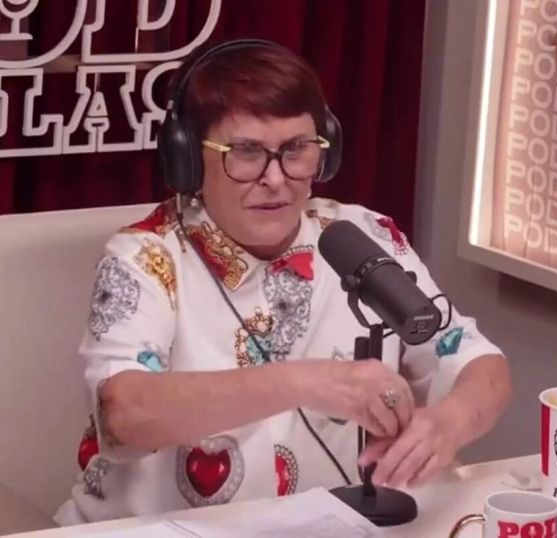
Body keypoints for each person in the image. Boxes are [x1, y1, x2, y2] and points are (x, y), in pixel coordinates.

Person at [55, 39, 511, 524]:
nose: (275, 178)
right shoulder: (145, 257)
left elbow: (479, 363)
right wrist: (305, 382)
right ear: (187, 157)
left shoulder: (364, 237)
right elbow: (124, 415)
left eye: (296, 150)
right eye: (246, 152)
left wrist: (448, 423)